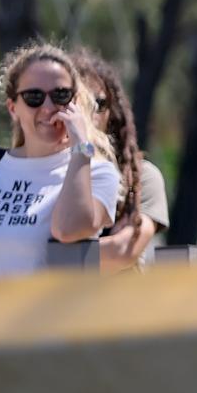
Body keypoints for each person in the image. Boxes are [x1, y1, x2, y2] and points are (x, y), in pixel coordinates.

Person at [0, 42, 120, 281]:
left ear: (76, 101)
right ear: (12, 108)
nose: (48, 107)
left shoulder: (96, 173)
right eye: (34, 97)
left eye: (60, 95)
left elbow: (68, 229)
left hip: (47, 319)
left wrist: (80, 146)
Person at [72, 49, 170, 272]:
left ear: (112, 112)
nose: (88, 114)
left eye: (97, 103)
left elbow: (122, 251)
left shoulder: (141, 177)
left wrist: (45, 255)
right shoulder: (45, 173)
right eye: (78, 102)